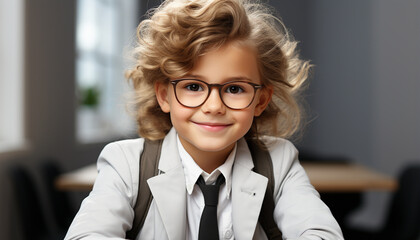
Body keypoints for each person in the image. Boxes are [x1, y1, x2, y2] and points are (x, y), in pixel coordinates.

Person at [65, 0, 343, 239]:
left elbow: (320, 232)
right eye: (194, 86)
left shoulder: (279, 163)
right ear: (164, 95)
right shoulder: (125, 164)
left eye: (234, 89)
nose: (213, 106)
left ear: (260, 100)